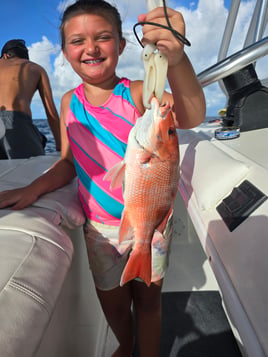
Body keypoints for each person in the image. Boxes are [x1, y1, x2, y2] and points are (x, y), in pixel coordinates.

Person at [0, 1, 206, 356]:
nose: (91, 47)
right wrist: (34, 188)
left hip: (151, 226)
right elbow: (68, 161)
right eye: (77, 40)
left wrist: (175, 61)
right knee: (113, 305)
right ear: (64, 52)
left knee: (149, 301)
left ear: (122, 45)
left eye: (104, 37)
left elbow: (189, 115)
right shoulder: (68, 102)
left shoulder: (139, 94)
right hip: (99, 229)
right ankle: (125, 346)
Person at [0, 39, 61, 159]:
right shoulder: (35, 68)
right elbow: (51, 113)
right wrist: (60, 146)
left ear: (5, 56)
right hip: (18, 124)